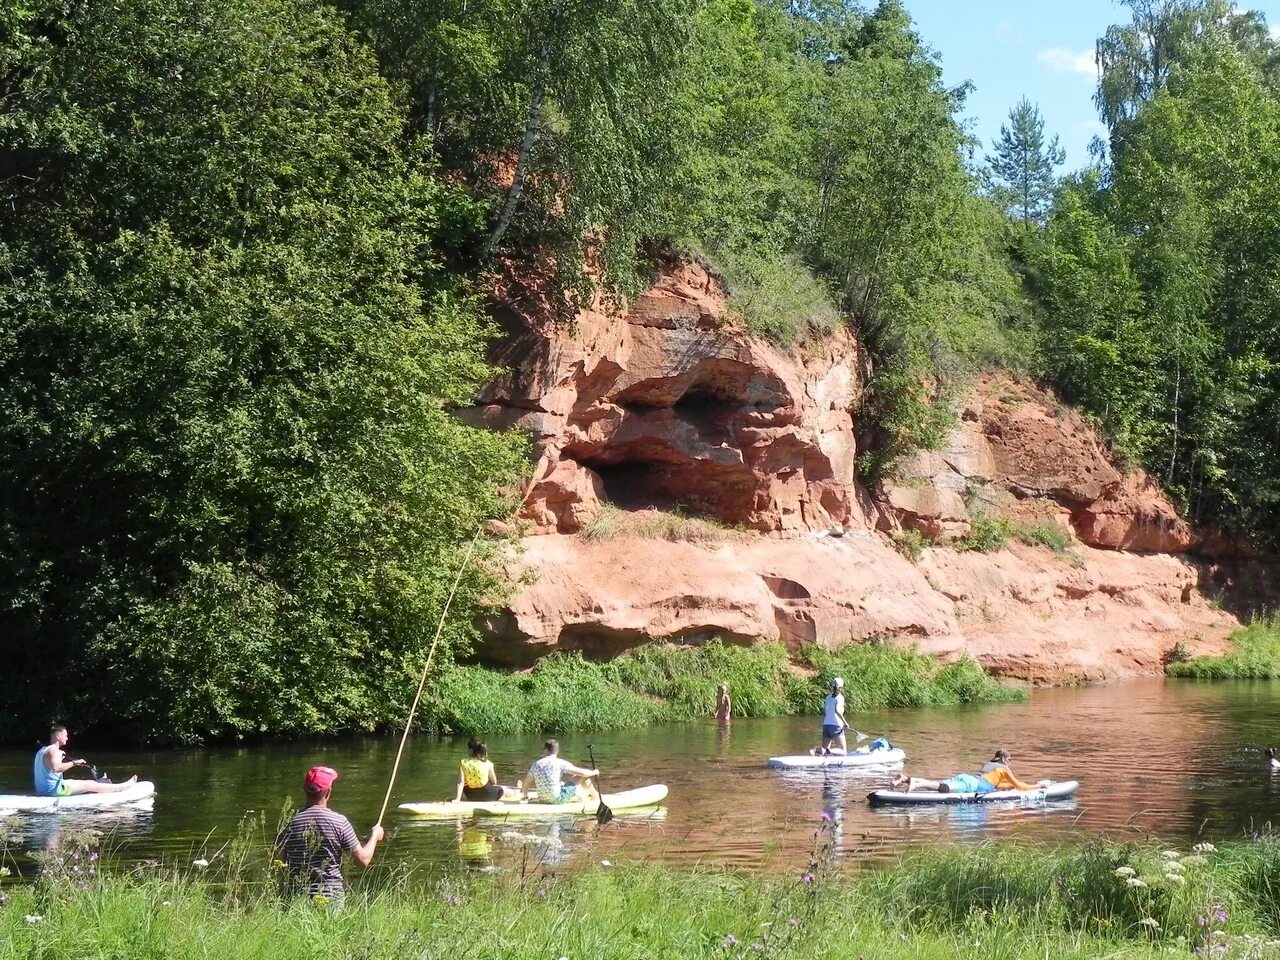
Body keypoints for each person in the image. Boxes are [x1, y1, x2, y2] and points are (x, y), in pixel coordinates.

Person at [275, 765, 383, 902]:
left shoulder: (288, 822)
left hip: (295, 898)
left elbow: (277, 864)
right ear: (328, 792)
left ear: (305, 790)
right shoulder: (339, 822)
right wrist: (374, 835)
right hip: (330, 897)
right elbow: (363, 861)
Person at [33, 725, 138, 797]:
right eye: (65, 735)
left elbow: (49, 768)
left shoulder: (43, 750)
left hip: (43, 790)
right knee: (88, 784)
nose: (67, 738)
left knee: (74, 781)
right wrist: (74, 763)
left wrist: (60, 760)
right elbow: (56, 768)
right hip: (53, 791)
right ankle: (123, 786)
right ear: (57, 736)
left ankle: (100, 783)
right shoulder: (54, 751)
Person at [890, 747, 1046, 794]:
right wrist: (1038, 785)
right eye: (1010, 760)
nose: (1010, 763)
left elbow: (996, 786)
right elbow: (1021, 786)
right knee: (942, 789)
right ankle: (915, 784)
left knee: (939, 785)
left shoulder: (988, 766)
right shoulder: (1003, 770)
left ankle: (906, 779)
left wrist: (1009, 786)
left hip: (967, 778)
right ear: (1005, 760)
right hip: (972, 785)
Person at [521, 739, 599, 805]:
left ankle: (586, 794)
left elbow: (526, 783)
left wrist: (525, 796)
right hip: (557, 800)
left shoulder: (536, 764)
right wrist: (594, 772)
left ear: (546, 750)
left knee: (572, 779)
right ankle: (596, 799)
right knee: (584, 777)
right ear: (557, 751)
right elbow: (583, 773)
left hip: (542, 799)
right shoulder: (560, 763)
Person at [452, 738, 519, 803]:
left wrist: (458, 799)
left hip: (471, 796)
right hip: (488, 795)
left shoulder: (463, 762)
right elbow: (494, 782)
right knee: (501, 789)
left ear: (470, 750)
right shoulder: (487, 763)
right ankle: (516, 792)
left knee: (467, 784)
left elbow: (460, 782)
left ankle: (513, 791)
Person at [808, 677, 848, 756]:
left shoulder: (828, 697)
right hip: (836, 725)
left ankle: (819, 751)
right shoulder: (840, 698)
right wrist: (845, 723)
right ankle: (823, 751)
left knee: (824, 752)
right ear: (841, 687)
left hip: (826, 725)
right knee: (843, 752)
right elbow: (837, 711)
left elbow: (827, 711)